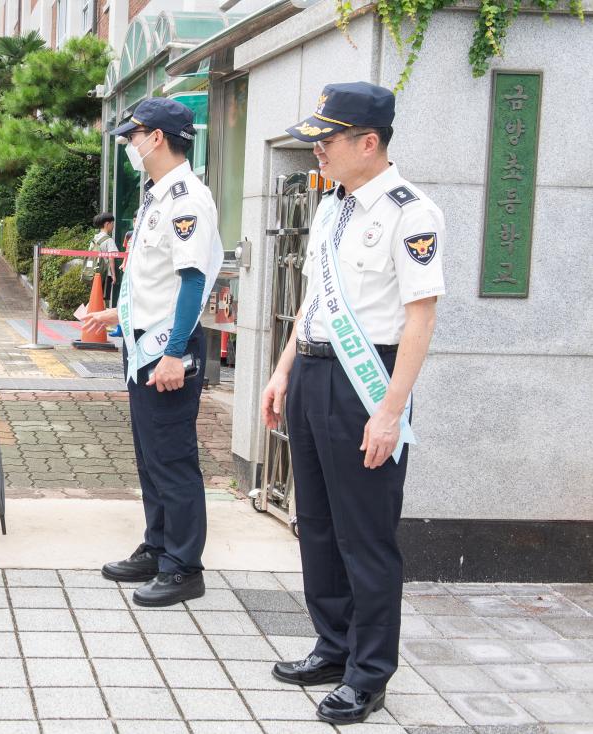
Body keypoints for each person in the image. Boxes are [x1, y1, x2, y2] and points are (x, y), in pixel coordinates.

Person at [258, 82, 445, 725]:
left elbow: (421, 320)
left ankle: (369, 674)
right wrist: (283, 370)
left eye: (327, 140)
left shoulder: (410, 211)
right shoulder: (333, 205)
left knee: (365, 536)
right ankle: (333, 646)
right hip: (313, 374)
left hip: (370, 382)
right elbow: (315, 298)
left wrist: (390, 411)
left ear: (369, 143)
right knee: (316, 524)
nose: (317, 151)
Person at [84, 98, 224, 608]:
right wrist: (115, 317)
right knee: (151, 456)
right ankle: (159, 545)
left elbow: (191, 282)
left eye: (133, 135)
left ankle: (184, 566)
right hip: (145, 343)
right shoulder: (157, 194)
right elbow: (153, 279)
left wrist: (173, 352)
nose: (128, 144)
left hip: (168, 348)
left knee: (173, 458)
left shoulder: (187, 198)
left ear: (157, 137)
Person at [91, 212, 119, 301]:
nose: (113, 226)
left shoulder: (94, 239)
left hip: (95, 272)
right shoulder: (109, 240)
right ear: (107, 224)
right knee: (103, 299)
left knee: (96, 297)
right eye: (112, 224)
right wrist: (114, 275)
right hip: (106, 274)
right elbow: (111, 258)